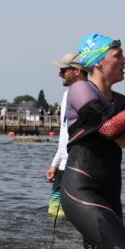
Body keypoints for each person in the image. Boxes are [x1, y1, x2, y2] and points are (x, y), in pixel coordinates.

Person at [59, 34, 125, 249]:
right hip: (81, 190)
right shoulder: (80, 90)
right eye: (118, 55)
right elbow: (108, 128)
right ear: (97, 62)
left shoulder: (123, 103)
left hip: (111, 196)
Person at [46, 53, 86, 220]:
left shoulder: (87, 94)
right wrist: (55, 163)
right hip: (63, 164)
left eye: (63, 70)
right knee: (54, 211)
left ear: (76, 71)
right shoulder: (66, 95)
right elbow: (64, 133)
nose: (60, 74)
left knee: (73, 212)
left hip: (77, 164)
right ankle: (60, 244)